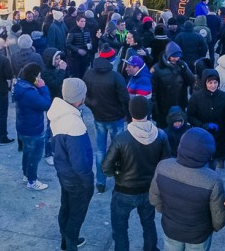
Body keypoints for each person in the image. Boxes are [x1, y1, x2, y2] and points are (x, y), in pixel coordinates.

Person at [102, 96, 171, 251]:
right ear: (147, 112)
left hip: (123, 191)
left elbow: (106, 168)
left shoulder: (122, 138)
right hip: (149, 190)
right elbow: (166, 164)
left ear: (130, 112)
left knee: (120, 229)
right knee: (148, 224)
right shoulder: (160, 135)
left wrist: (117, 173)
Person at [149, 128, 225, 250]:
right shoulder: (213, 180)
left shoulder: (163, 166)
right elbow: (219, 218)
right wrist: (212, 228)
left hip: (171, 229)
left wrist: (167, 214)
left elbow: (154, 199)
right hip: (198, 236)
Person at [48, 78, 93, 251]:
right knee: (76, 215)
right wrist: (88, 181)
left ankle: (65, 240)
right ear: (79, 97)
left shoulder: (59, 113)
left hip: (63, 172)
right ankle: (70, 244)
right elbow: (79, 162)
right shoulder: (74, 124)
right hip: (76, 179)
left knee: (66, 207)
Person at [82, 44, 130, 194]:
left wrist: (93, 107)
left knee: (100, 151)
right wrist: (125, 114)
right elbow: (125, 98)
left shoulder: (88, 74)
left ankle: (100, 182)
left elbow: (84, 96)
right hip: (116, 119)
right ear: (111, 59)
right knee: (119, 150)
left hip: (99, 118)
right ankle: (119, 179)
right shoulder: (116, 77)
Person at [13, 63, 51, 190]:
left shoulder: (20, 86)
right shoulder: (30, 92)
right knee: (35, 155)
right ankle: (32, 181)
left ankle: (26, 174)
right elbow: (46, 104)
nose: (40, 78)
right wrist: (43, 88)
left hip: (23, 127)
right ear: (33, 77)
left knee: (27, 152)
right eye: (39, 76)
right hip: (33, 129)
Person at [187, 69, 225, 169]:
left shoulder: (223, 96)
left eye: (215, 82)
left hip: (219, 137)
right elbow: (190, 116)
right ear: (205, 83)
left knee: (214, 165)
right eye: (210, 83)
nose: (213, 85)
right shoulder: (196, 97)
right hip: (202, 136)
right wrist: (203, 125)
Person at [150, 41, 195, 128]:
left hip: (180, 107)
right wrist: (156, 111)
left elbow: (191, 81)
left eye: (178, 56)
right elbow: (153, 92)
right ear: (168, 55)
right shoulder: (157, 69)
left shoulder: (182, 65)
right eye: (174, 56)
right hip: (164, 109)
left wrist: (185, 70)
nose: (176, 59)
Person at [65, 14, 93, 79]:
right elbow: (68, 44)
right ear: (77, 22)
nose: (83, 23)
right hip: (75, 57)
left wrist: (90, 45)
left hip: (85, 56)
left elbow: (89, 39)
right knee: (76, 74)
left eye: (84, 21)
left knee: (84, 73)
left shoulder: (87, 30)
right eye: (81, 21)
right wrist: (78, 50)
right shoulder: (72, 31)